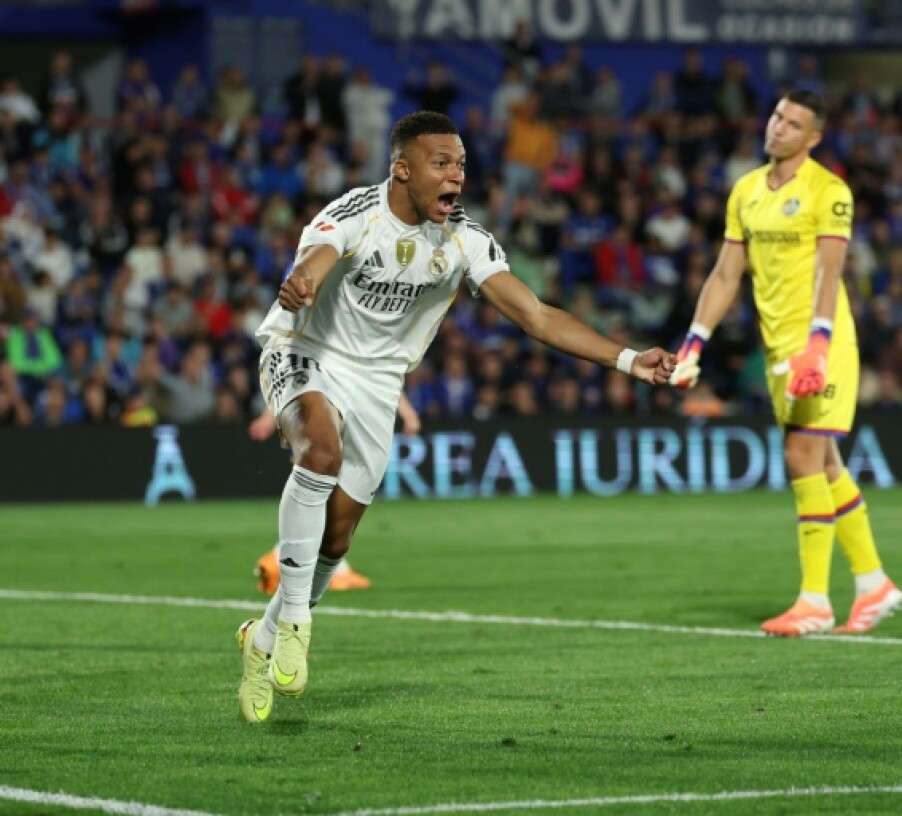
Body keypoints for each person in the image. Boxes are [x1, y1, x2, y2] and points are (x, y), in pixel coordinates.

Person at [236, 111, 675, 723]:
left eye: (461, 165)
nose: (456, 177)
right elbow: (317, 254)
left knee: (336, 539)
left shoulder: (464, 242)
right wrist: (302, 281)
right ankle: (297, 626)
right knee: (320, 451)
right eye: (442, 164)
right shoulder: (357, 212)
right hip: (305, 351)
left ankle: (261, 639)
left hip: (379, 382)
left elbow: (538, 316)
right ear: (403, 168)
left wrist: (628, 359)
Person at [669, 91, 902, 638]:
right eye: (777, 116)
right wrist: (694, 344)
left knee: (801, 456)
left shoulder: (829, 191)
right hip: (777, 347)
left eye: (794, 124)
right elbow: (726, 274)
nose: (779, 128)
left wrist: (818, 343)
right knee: (825, 465)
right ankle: (873, 583)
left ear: (813, 137)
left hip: (821, 343)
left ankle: (814, 601)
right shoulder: (746, 190)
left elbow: (830, 271)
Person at [245, 395, 422, 593]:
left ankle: (286, 559)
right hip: (323, 417)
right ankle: (287, 561)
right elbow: (299, 373)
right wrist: (271, 414)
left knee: (328, 498)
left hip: (340, 418)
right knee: (322, 495)